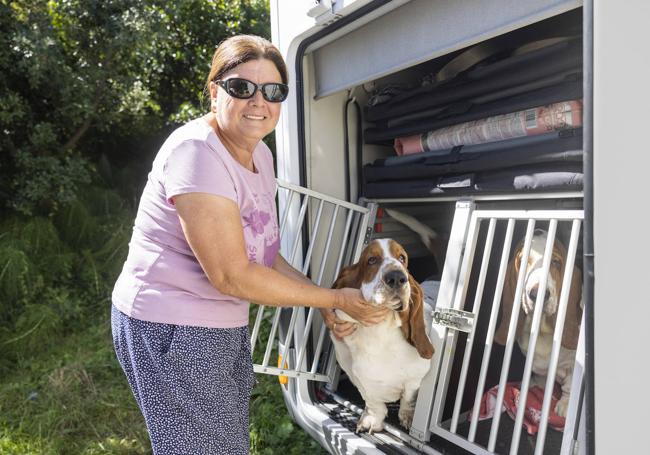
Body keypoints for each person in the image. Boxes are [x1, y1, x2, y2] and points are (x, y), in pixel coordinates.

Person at [110, 34, 387, 455]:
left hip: (218, 323)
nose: (259, 102)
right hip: (171, 325)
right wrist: (332, 296)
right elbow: (231, 274)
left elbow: (265, 254)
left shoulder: (260, 154)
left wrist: (328, 301)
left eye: (273, 91)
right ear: (213, 91)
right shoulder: (196, 155)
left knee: (224, 442)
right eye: (242, 88)